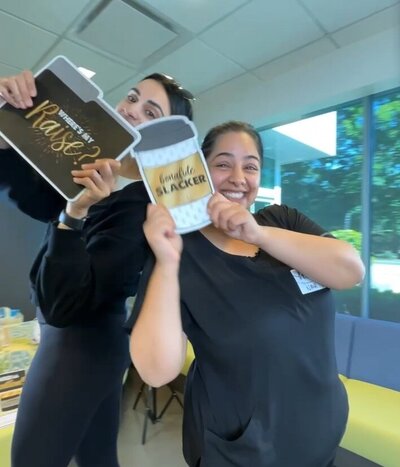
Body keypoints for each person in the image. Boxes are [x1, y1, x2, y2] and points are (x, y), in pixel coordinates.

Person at [128, 121, 365, 467]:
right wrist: (165, 262)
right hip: (247, 450)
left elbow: (351, 270)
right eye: (223, 164)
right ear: (200, 172)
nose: (239, 177)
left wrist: (259, 234)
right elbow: (156, 371)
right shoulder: (177, 251)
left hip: (321, 433)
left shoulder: (282, 220)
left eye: (250, 166)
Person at [0, 69, 194, 467]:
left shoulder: (142, 206)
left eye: (151, 111)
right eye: (133, 97)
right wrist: (7, 126)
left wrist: (74, 215)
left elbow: (65, 304)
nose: (132, 110)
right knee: (98, 457)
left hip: (79, 346)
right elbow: (28, 196)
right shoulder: (93, 172)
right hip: (98, 348)